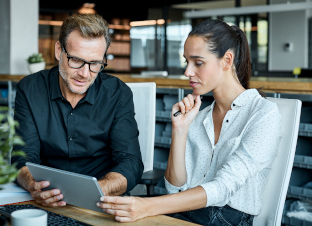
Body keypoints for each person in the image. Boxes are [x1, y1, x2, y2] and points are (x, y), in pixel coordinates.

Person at [97, 19, 282, 226]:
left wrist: (147, 206)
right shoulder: (199, 116)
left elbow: (222, 188)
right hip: (190, 213)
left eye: (198, 63)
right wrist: (180, 130)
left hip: (229, 219)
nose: (187, 72)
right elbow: (174, 188)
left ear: (227, 60)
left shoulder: (263, 114)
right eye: (187, 62)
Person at [11, 14, 144, 208]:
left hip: (101, 201)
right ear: (59, 51)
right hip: (46, 199)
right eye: (76, 60)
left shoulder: (118, 94)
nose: (84, 73)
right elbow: (22, 157)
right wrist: (33, 184)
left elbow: (130, 162)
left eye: (95, 63)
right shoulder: (30, 89)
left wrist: (98, 190)